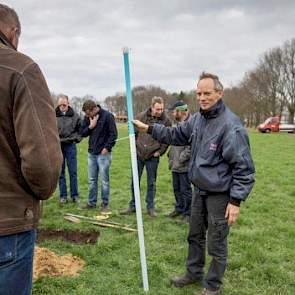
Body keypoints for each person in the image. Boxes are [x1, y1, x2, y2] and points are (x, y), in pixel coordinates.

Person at [132, 73, 255, 295]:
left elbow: (244, 168)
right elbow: (175, 134)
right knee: (194, 235)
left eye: (207, 93)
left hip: (220, 194)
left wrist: (235, 201)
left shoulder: (231, 125)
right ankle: (193, 273)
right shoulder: (197, 119)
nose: (202, 98)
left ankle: (212, 286)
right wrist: (148, 129)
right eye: (199, 93)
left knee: (216, 242)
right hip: (198, 189)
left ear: (220, 93)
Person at [0, 4, 62, 295]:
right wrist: (39, 192)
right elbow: (43, 165)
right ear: (13, 33)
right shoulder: (20, 69)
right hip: (7, 222)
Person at [120, 96, 171, 217]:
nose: (160, 112)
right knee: (135, 181)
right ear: (152, 107)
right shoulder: (140, 117)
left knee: (151, 182)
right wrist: (135, 148)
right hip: (138, 154)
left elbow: (167, 138)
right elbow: (133, 134)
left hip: (153, 156)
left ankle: (150, 207)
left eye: (162, 109)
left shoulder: (166, 121)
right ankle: (133, 205)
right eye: (157, 109)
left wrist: (160, 152)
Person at [81, 100, 117, 213]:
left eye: (87, 113)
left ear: (93, 109)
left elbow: (114, 134)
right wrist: (91, 126)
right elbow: (82, 133)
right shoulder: (88, 118)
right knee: (92, 180)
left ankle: (105, 204)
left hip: (103, 154)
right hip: (91, 153)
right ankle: (91, 203)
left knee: (104, 180)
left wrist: (107, 148)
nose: (86, 116)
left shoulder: (108, 116)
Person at [166, 101, 192, 224]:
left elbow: (192, 146)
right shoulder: (176, 125)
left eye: (174, 111)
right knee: (176, 189)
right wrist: (171, 156)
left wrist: (182, 158)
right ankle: (179, 208)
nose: (172, 113)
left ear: (182, 111)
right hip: (175, 164)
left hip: (185, 165)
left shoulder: (190, 124)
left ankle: (188, 214)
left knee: (185, 190)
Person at [56, 94, 82, 204]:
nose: (62, 106)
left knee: (73, 172)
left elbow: (80, 130)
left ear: (68, 104)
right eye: (60, 105)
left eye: (64, 104)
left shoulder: (75, 116)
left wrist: (76, 139)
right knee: (60, 173)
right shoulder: (52, 115)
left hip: (70, 146)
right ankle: (63, 196)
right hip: (58, 146)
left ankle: (74, 195)